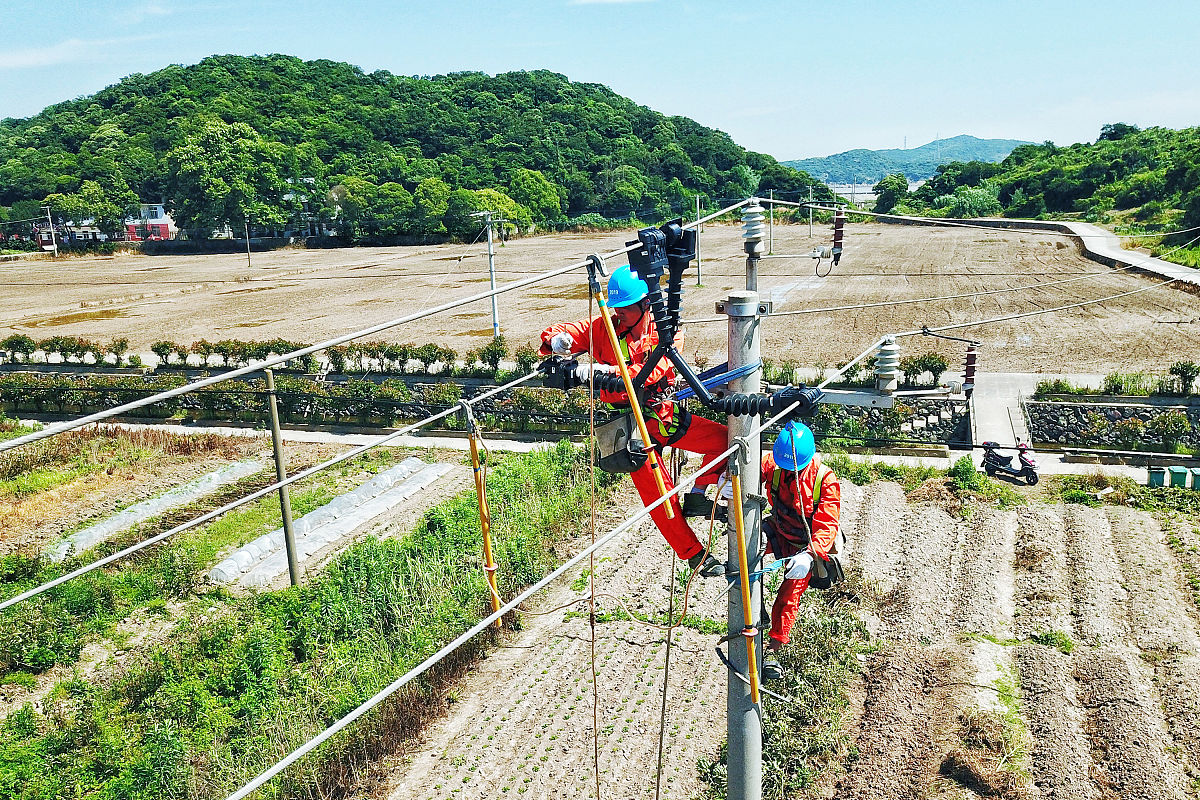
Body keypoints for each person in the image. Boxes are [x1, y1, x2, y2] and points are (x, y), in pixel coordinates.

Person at [539, 265, 729, 576]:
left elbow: (649, 372)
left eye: (625, 308)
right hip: (627, 428)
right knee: (661, 497)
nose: (619, 314)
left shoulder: (667, 332)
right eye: (616, 308)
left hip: (661, 415)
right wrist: (558, 340)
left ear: (644, 305)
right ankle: (696, 556)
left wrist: (599, 373)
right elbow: (574, 331)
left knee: (725, 441)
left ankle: (698, 496)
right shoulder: (607, 327)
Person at [759, 421, 841, 677]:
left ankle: (773, 650)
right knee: (748, 551)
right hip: (778, 529)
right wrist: (728, 482)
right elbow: (748, 470)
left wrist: (809, 555)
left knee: (788, 596)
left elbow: (827, 525)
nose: (787, 472)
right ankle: (754, 614)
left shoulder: (824, 480)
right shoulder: (773, 466)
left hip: (806, 545)